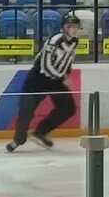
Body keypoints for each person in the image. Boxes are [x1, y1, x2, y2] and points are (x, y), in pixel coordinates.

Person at [6, 11, 80, 151]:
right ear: (65, 28)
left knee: (68, 108)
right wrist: (61, 77)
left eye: (77, 26)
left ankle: (40, 132)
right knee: (27, 108)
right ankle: (17, 140)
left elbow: (67, 60)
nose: (75, 29)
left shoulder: (75, 42)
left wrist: (65, 75)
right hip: (38, 78)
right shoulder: (55, 41)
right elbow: (46, 66)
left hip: (56, 79)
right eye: (71, 26)